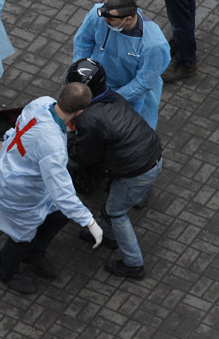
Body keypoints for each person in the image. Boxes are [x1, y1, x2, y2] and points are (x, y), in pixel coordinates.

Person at [0, 82, 102, 295]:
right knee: (22, 235)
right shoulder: (52, 146)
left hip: (17, 175)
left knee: (58, 215)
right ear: (80, 112)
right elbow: (62, 192)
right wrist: (89, 221)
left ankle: (34, 253)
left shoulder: (42, 102)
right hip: (18, 192)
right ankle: (6, 270)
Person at [65, 59, 163, 280]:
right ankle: (108, 236)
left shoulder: (89, 118)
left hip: (136, 172)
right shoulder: (113, 97)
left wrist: (70, 140)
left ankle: (134, 264)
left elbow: (86, 157)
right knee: (118, 204)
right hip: (151, 156)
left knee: (116, 213)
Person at [72, 0, 170, 129]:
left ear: (128, 19)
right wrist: (81, 74)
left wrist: (110, 99)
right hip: (96, 84)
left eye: (111, 20)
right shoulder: (98, 15)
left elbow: (143, 82)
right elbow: (82, 43)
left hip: (132, 97)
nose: (105, 21)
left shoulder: (153, 45)